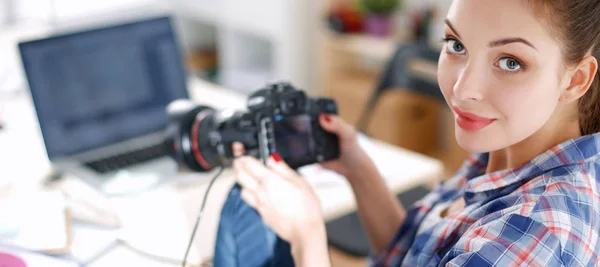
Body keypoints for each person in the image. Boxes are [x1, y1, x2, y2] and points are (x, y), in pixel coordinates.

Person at [213, 0, 600, 265]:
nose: (464, 89)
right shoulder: (506, 150)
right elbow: (414, 252)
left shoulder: (538, 234)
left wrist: (306, 235)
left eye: (511, 62)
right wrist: (357, 167)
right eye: (456, 44)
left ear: (576, 79)